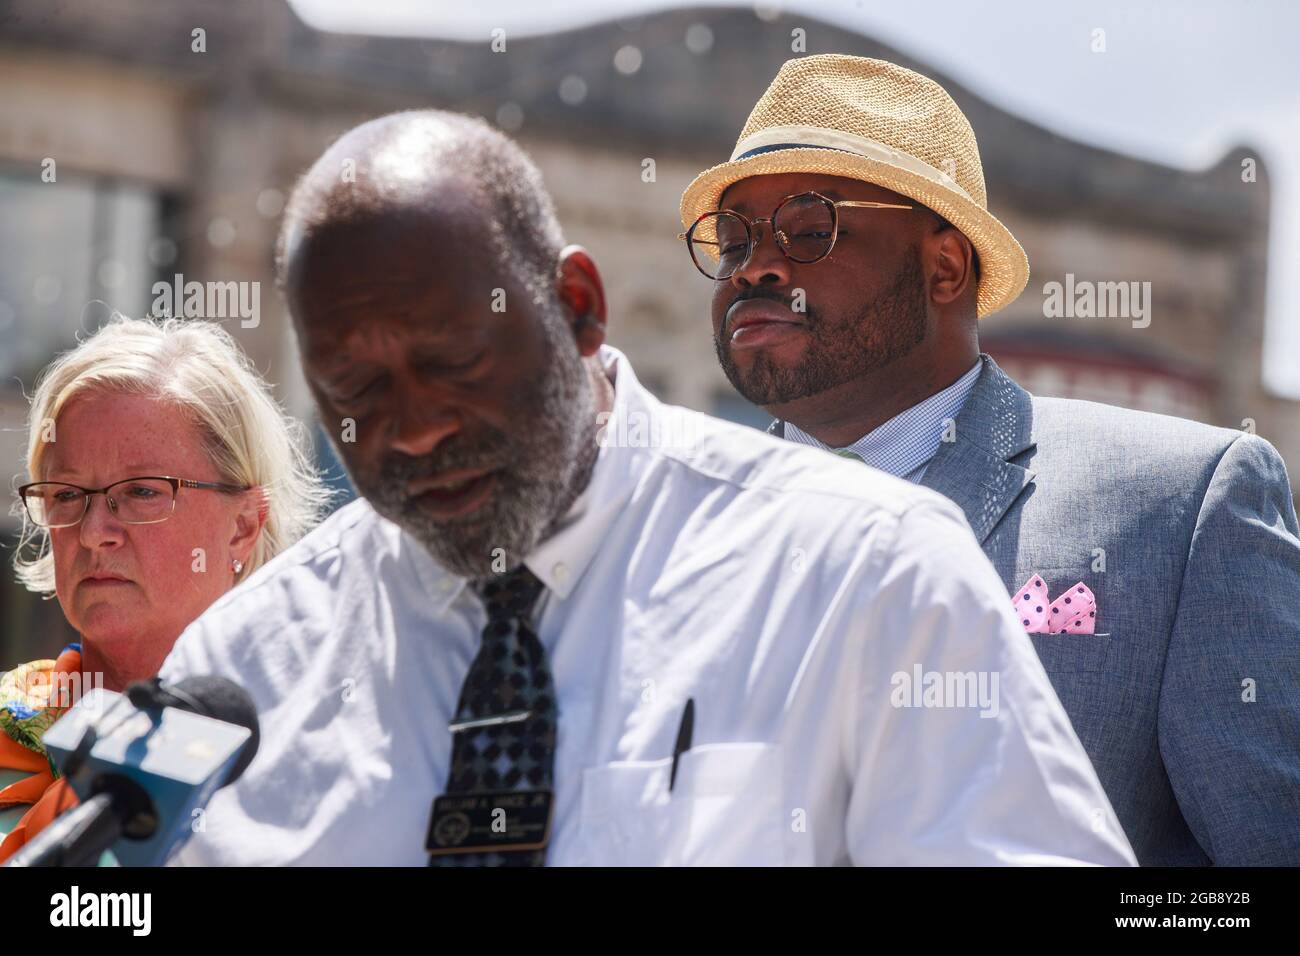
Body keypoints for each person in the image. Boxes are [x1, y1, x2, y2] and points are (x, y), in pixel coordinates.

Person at [159, 109, 1135, 866]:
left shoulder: (867, 579)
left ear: (576, 307)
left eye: (455, 359)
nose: (414, 426)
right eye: (355, 390)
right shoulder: (243, 673)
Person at [681, 53, 1300, 864]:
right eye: (730, 242)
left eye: (808, 230)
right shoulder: (677, 544)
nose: (753, 268)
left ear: (944, 266)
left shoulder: (1184, 507)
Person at [0, 315, 331, 862]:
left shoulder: (321, 748)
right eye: (65, 494)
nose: (92, 532)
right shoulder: (8, 731)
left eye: (142, 492)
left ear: (244, 526)